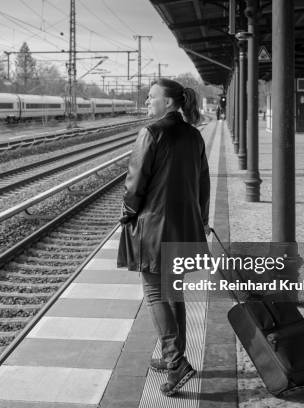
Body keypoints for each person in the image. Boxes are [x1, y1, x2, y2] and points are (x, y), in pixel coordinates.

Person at [117, 78, 210, 396]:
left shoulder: (152, 132)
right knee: (175, 294)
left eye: (152, 97)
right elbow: (203, 185)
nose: (147, 102)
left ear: (169, 102)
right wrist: (202, 221)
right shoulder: (194, 136)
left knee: (156, 294)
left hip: (156, 229)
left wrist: (128, 212)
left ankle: (175, 362)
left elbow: (135, 181)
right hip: (185, 227)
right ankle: (177, 356)